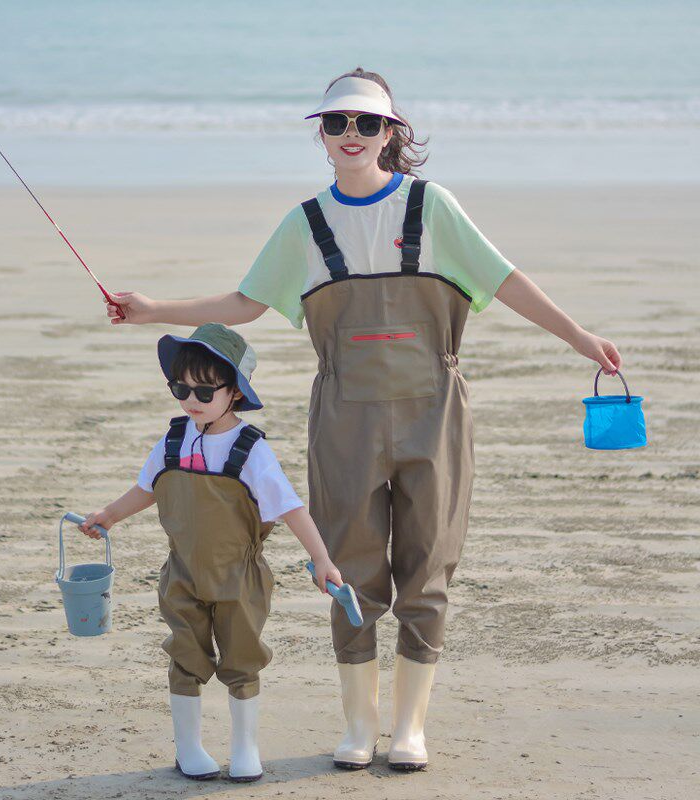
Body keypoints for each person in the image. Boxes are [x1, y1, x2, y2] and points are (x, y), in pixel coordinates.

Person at [100, 68, 622, 771]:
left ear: (391, 132)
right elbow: (247, 302)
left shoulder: (432, 207)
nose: (351, 135)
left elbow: (504, 279)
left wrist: (580, 338)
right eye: (336, 123)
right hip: (343, 416)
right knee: (348, 564)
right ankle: (358, 726)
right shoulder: (306, 224)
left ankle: (408, 728)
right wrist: (154, 310)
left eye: (366, 123)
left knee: (427, 563)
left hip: (433, 412)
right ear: (320, 134)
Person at [79, 323, 342, 782]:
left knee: (242, 659)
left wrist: (322, 559)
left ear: (235, 393)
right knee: (185, 656)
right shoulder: (172, 441)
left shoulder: (252, 451)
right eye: (180, 387)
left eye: (203, 390)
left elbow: (291, 509)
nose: (190, 399)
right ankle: (190, 749)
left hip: (238, 577)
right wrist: (110, 514)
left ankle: (244, 749)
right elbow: (145, 490)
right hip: (181, 571)